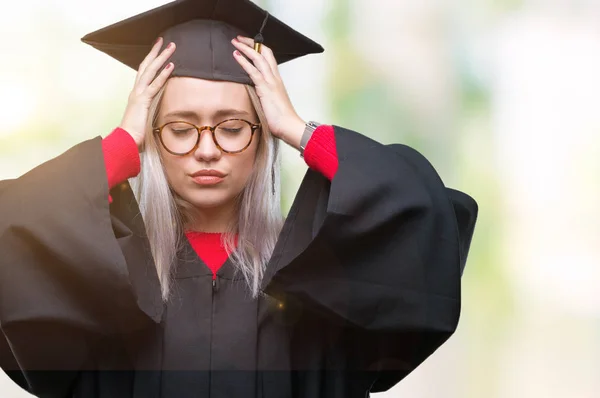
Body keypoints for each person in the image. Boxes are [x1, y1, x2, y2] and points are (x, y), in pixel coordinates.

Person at [0, 0, 478, 397]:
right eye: (180, 129)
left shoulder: (319, 283)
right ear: (154, 135)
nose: (207, 149)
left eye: (232, 128)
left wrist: (299, 131)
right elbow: (12, 228)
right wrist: (124, 142)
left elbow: (423, 213)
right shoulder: (109, 279)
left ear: (262, 139)